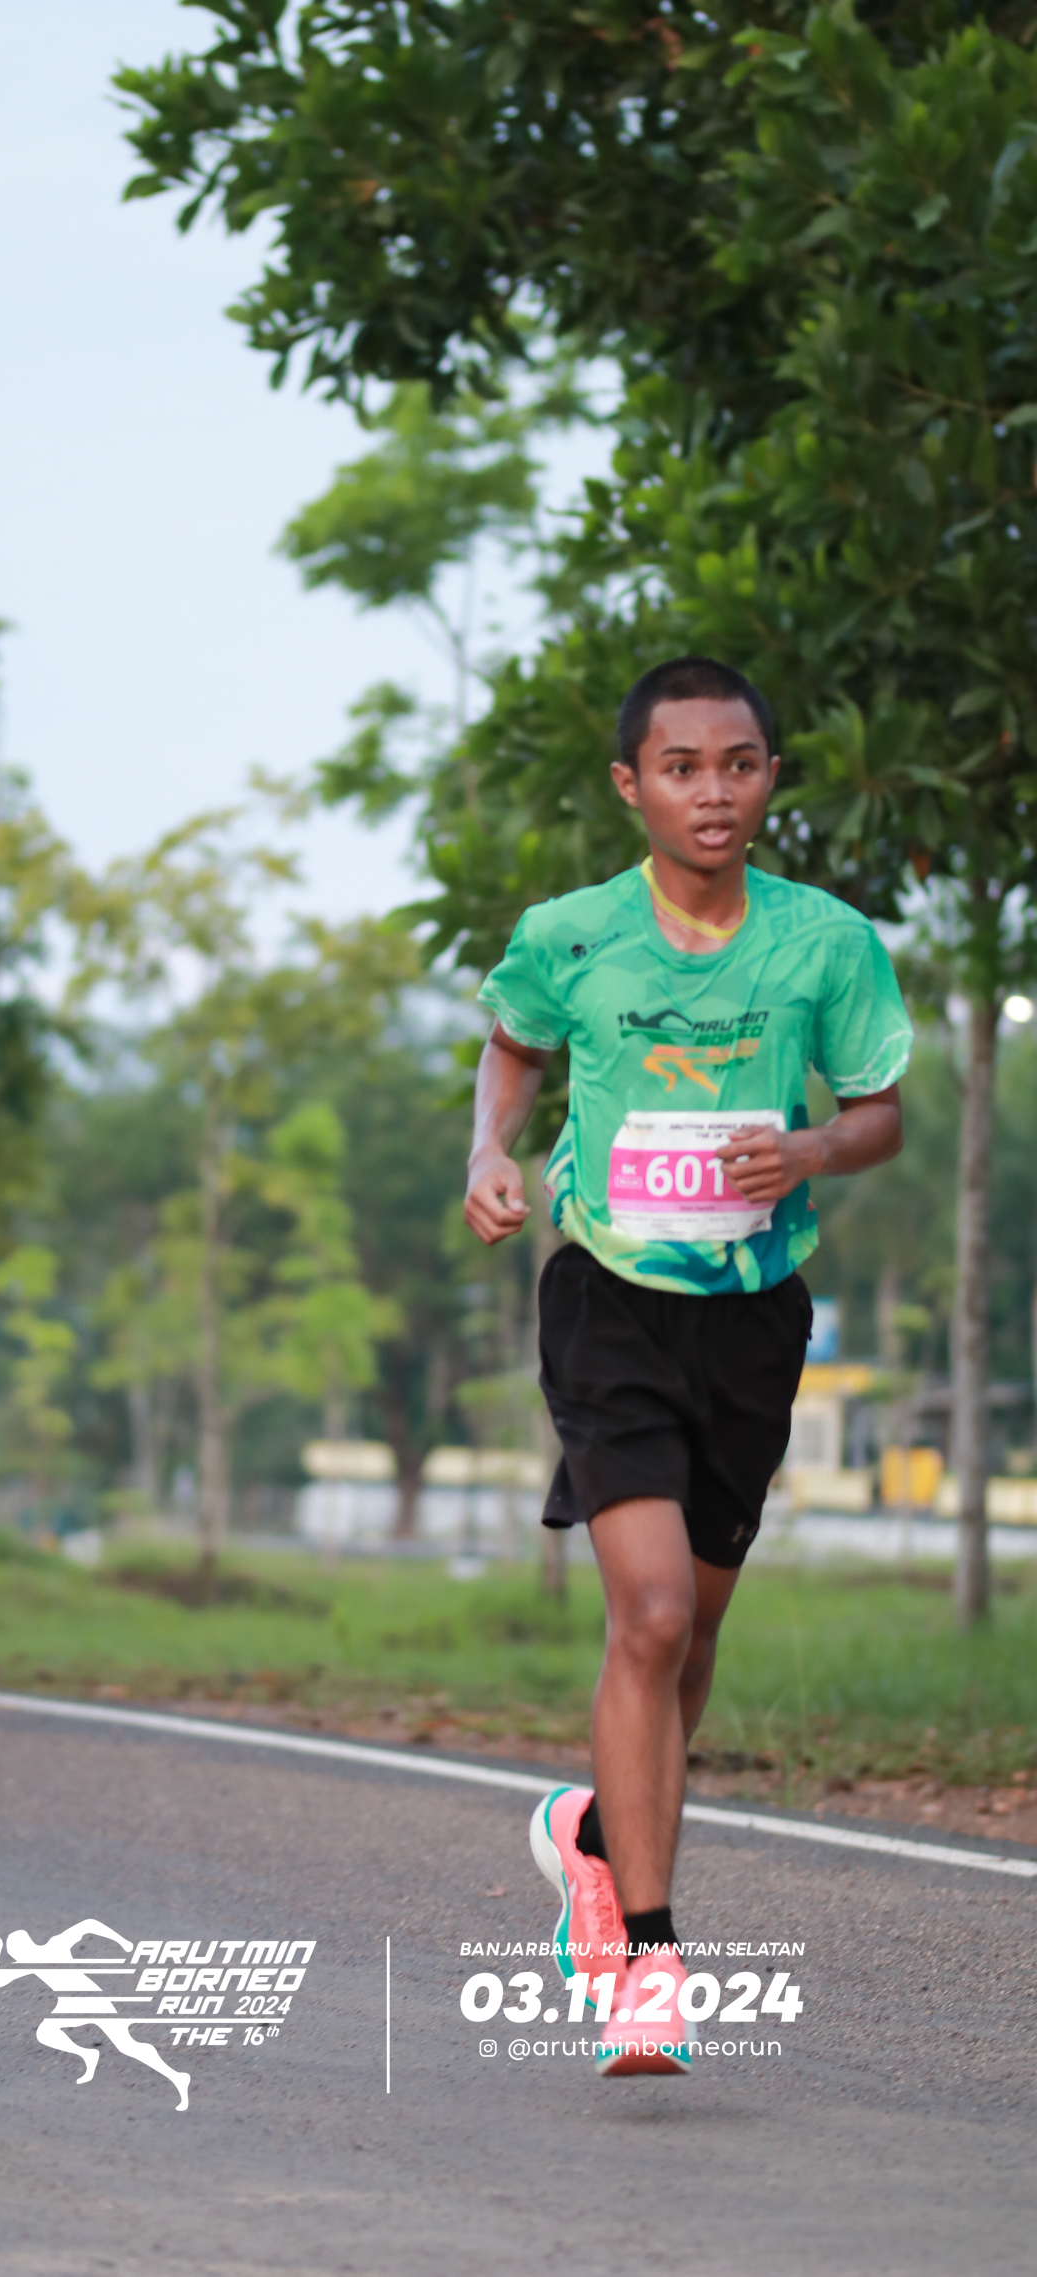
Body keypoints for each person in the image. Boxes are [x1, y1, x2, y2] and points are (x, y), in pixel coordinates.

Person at [464, 656, 911, 2077]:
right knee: (649, 1612)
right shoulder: (573, 934)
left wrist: (814, 1145)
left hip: (753, 1311)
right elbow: (512, 1047)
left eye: (738, 764)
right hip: (609, 1298)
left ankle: (596, 1833)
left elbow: (883, 1112)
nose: (712, 792)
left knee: (693, 1634)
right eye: (681, 767)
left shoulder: (827, 942)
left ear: (770, 776)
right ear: (631, 785)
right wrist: (488, 1152)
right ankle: (647, 1963)